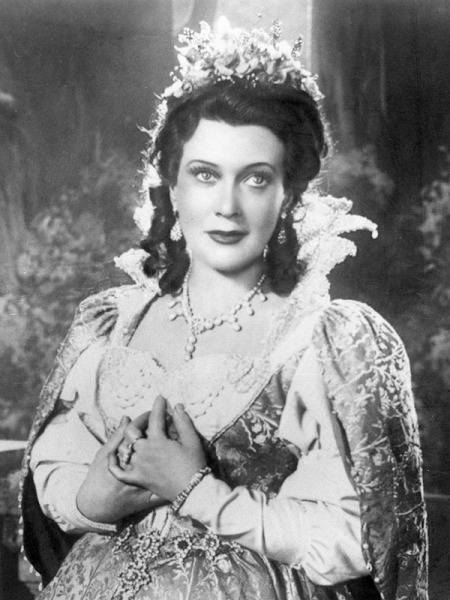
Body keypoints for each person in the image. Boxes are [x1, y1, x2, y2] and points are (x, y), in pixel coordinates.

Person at [19, 18, 427, 600]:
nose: (228, 206)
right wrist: (93, 497)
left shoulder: (320, 342)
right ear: (172, 186)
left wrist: (198, 492)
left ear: (289, 195)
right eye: (205, 175)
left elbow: (354, 537)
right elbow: (55, 468)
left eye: (256, 179)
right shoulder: (111, 324)